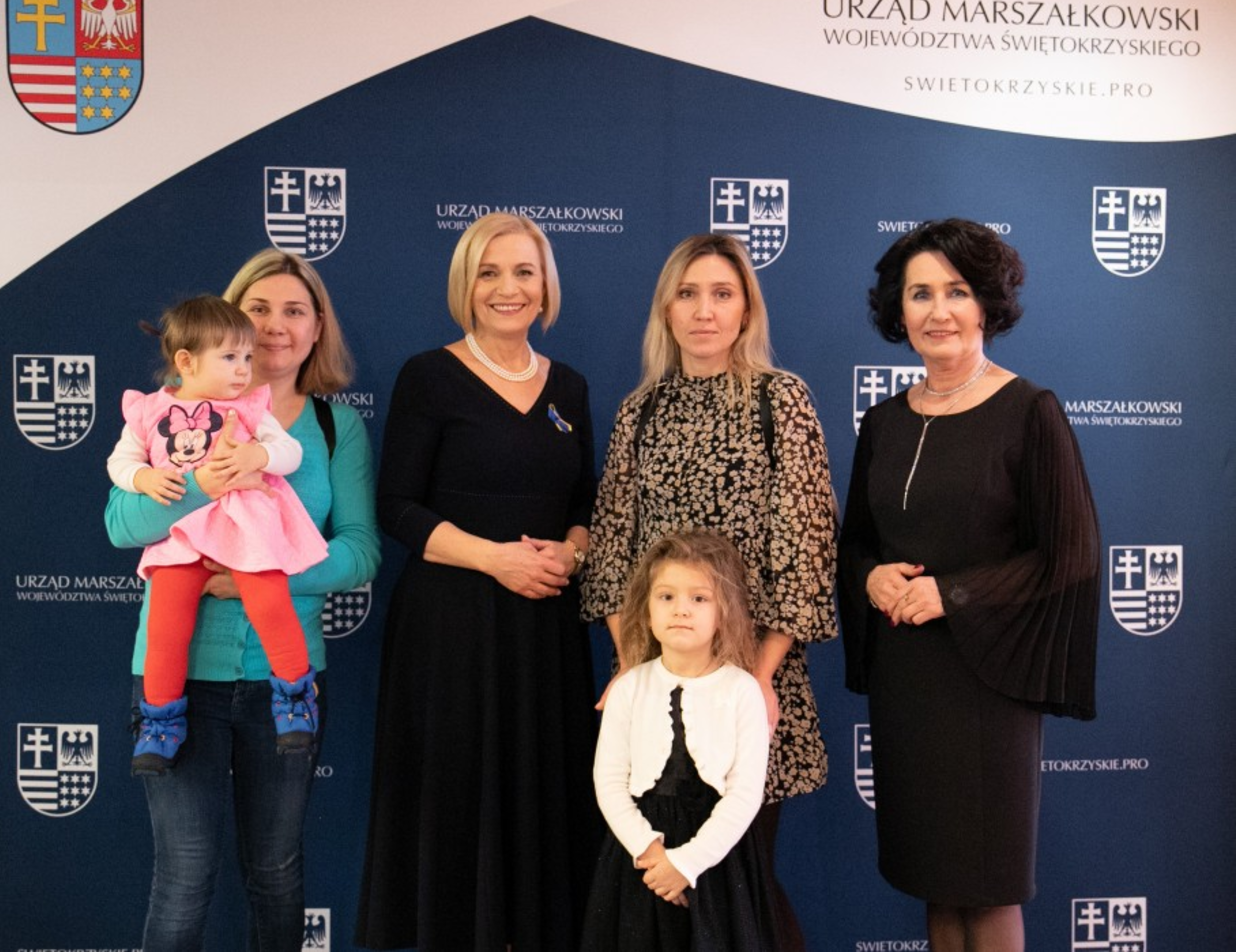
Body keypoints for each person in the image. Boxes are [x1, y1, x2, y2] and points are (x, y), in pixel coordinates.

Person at [837, 219, 1101, 952]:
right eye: (920, 293)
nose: (938, 311)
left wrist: (951, 594)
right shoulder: (882, 422)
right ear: (898, 311)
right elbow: (854, 542)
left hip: (991, 680)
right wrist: (870, 576)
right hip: (907, 683)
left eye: (956, 291)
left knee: (987, 889)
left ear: (987, 303)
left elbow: (1072, 552)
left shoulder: (1029, 411)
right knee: (937, 882)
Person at [106, 249, 381, 951]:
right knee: (183, 874)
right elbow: (122, 525)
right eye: (259, 309)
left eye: (295, 311)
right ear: (226, 323)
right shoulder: (167, 416)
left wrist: (265, 570)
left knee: (276, 871)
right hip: (177, 680)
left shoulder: (333, 427)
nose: (274, 327)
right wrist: (203, 481)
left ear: (317, 328)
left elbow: (360, 552)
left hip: (283, 682)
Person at [582, 233, 837, 949]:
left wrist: (757, 676)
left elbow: (806, 550)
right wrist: (632, 668)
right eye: (688, 294)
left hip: (751, 680)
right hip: (655, 683)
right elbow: (613, 552)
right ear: (666, 308)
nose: (704, 311)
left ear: (746, 308)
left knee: (740, 882)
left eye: (722, 294)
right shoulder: (641, 411)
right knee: (655, 894)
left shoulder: (779, 401)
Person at [356, 213, 600, 951]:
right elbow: (397, 506)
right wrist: (496, 559)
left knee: (543, 808)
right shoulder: (427, 376)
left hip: (546, 631)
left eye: (524, 271)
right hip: (451, 632)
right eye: (489, 272)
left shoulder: (570, 386)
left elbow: (587, 503)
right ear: (465, 285)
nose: (507, 288)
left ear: (545, 287)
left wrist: (572, 555)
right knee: (457, 807)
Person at [109, 295, 327, 774]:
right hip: (181, 538)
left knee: (271, 604)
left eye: (247, 357)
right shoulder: (149, 411)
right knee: (166, 626)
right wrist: (143, 478)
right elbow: (120, 462)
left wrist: (258, 456)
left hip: (244, 531)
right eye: (230, 357)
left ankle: (294, 695)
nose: (244, 369)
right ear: (186, 362)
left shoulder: (249, 408)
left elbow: (288, 451)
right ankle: (160, 721)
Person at [582, 529, 780, 952]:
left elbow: (745, 794)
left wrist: (686, 863)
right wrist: (651, 853)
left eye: (699, 598)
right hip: (640, 859)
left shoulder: (742, 690)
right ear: (646, 609)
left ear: (724, 612)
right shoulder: (629, 688)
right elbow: (609, 782)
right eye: (666, 596)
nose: (681, 610)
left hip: (717, 861)